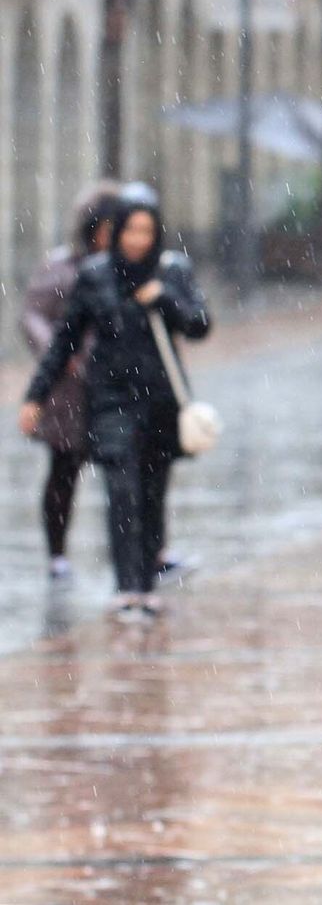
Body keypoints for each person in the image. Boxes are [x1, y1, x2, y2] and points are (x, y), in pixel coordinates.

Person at [18, 197, 211, 622]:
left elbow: (199, 324)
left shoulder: (171, 272)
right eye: (130, 231)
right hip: (111, 399)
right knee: (120, 488)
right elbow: (65, 340)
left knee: (152, 493)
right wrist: (35, 396)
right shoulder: (95, 276)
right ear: (117, 232)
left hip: (161, 401)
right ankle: (126, 589)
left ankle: (145, 585)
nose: (138, 241)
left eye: (146, 232)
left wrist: (163, 299)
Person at [19, 182, 123, 580]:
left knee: (131, 470)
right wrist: (61, 356)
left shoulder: (127, 268)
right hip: (71, 390)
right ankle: (57, 553)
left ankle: (141, 553)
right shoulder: (62, 267)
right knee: (64, 469)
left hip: (116, 383)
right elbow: (33, 315)